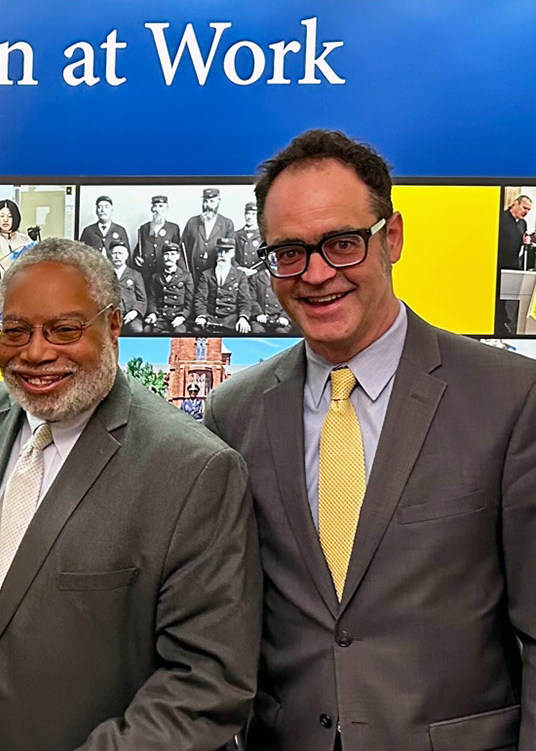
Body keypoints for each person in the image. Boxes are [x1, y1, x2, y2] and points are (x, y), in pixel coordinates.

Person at [205, 129, 536, 750]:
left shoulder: (511, 398)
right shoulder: (235, 413)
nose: (316, 273)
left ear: (394, 238)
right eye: (289, 252)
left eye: (342, 243)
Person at [0, 237, 259, 751]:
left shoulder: (194, 471)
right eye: (15, 330)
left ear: (114, 325)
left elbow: (205, 684)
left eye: (64, 329)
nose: (35, 352)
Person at [194, 237, 253, 334]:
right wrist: (201, 316)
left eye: (227, 252)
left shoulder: (240, 275)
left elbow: (245, 300)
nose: (223, 255)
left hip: (231, 320)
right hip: (211, 318)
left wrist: (243, 318)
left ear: (232, 253)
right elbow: (200, 298)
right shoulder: (206, 274)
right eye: (220, 252)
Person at [181, 187, 235, 282]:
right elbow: (181, 249)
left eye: (212, 201)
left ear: (218, 201)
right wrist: (185, 273)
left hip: (215, 278)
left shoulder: (227, 224)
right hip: (193, 276)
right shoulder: (192, 222)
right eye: (205, 201)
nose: (207, 205)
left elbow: (231, 252)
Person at [498, 194, 532, 332]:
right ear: (515, 204)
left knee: (508, 297)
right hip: (499, 264)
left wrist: (525, 242)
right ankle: (499, 321)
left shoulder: (523, 223)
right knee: (498, 295)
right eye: (524, 208)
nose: (526, 212)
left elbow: (520, 240)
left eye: (528, 210)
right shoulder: (501, 218)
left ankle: (504, 318)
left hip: (513, 264)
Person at [145, 241, 194, 333]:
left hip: (177, 317)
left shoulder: (186, 276)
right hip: (160, 317)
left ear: (177, 256)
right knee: (147, 332)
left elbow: (189, 302)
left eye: (172, 254)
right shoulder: (155, 277)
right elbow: (152, 299)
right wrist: (152, 313)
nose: (169, 258)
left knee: (179, 334)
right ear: (163, 257)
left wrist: (182, 316)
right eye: (166, 254)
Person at [135, 194, 181, 291]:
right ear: (152, 208)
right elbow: (139, 248)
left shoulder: (173, 228)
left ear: (167, 208)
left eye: (161, 206)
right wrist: (136, 258)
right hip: (147, 274)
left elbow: (178, 252)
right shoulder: (144, 228)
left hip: (164, 274)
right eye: (155, 206)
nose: (157, 209)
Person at [0, 199, 30, 272]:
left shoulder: (25, 239)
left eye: (10, 216)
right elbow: (2, 262)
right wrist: (16, 258)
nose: (5, 219)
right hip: (0, 281)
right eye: (2, 216)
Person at [109, 239, 146, 334]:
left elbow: (142, 300)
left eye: (120, 253)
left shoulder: (135, 274)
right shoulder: (105, 274)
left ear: (126, 255)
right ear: (110, 256)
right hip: (110, 315)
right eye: (114, 253)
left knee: (137, 330)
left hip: (130, 315)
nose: (117, 256)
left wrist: (134, 312)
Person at [234, 201, 261, 274]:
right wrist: (239, 268)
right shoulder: (236, 235)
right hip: (241, 274)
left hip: (258, 276)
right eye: (248, 213)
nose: (249, 217)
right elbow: (231, 256)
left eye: (253, 214)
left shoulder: (263, 235)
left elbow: (268, 257)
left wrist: (256, 270)